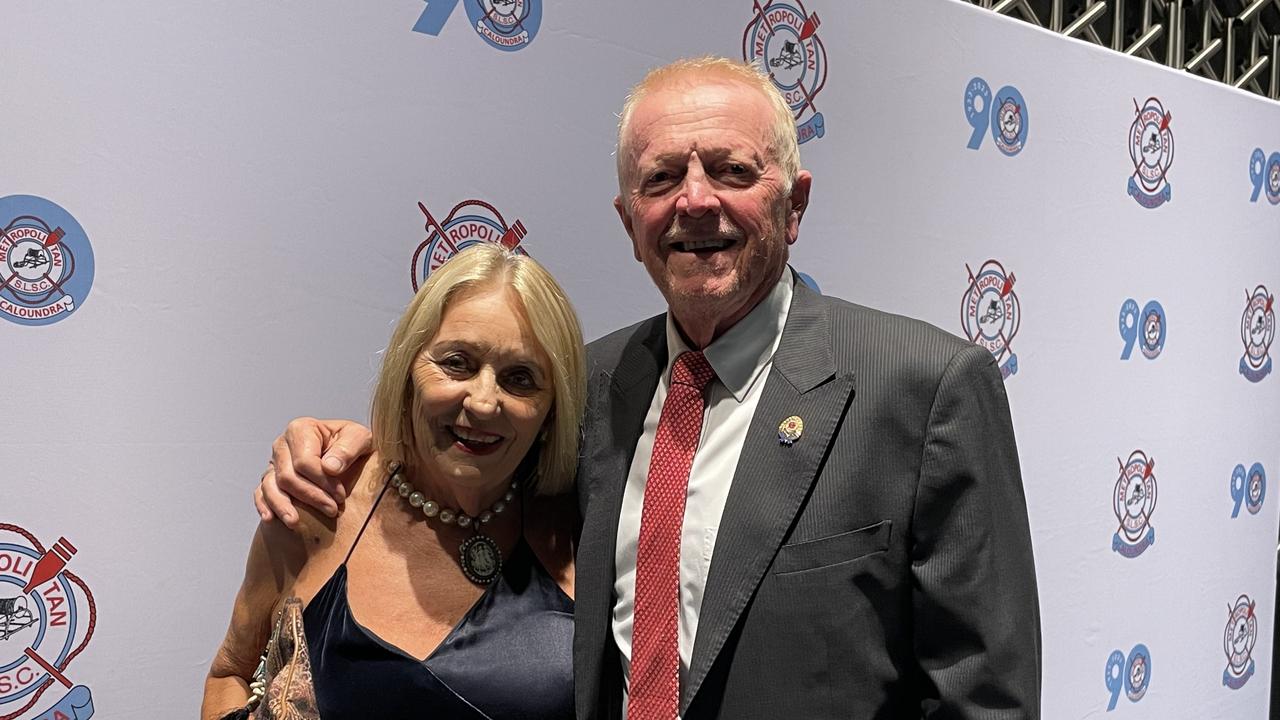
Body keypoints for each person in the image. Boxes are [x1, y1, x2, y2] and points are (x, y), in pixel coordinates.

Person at [257, 57, 1042, 718]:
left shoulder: (926, 389)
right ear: (630, 220)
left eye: (733, 171)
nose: (695, 200)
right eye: (662, 177)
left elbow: (984, 699)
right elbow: (461, 465)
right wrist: (338, 448)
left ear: (794, 204)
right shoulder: (585, 386)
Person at [204, 244, 585, 720]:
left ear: (553, 409)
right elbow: (231, 673)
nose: (485, 402)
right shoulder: (316, 502)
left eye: (521, 379)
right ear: (408, 368)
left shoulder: (583, 522)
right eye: (457, 363)